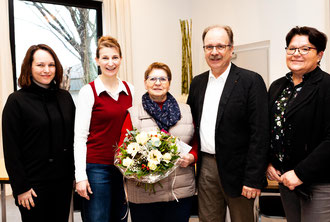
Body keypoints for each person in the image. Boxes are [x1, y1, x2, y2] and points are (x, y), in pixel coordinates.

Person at [187, 25, 269, 222]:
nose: (214, 52)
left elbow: (260, 133)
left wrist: (253, 178)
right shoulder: (197, 83)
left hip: (241, 171)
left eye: (220, 46)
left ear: (231, 49)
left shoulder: (251, 81)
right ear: (204, 50)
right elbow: (191, 126)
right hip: (206, 167)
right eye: (209, 47)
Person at [266, 26, 330, 222]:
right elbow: (271, 129)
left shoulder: (328, 87)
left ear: (319, 55)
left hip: (319, 182)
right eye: (292, 49)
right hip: (285, 180)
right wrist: (269, 161)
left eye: (305, 49)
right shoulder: (278, 86)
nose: (297, 54)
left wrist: (300, 173)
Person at [2, 44, 75, 222]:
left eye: (51, 65)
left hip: (63, 182)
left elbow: (74, 139)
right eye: (40, 65)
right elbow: (11, 149)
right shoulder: (16, 101)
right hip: (32, 186)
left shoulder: (65, 97)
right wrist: (21, 187)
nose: (47, 70)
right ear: (29, 67)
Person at [119, 62, 197, 222]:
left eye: (163, 78)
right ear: (145, 82)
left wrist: (192, 157)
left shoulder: (187, 111)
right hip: (144, 196)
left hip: (179, 193)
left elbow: (196, 143)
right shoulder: (133, 114)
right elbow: (122, 153)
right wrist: (141, 166)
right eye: (152, 78)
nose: (157, 83)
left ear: (169, 82)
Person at [74, 36, 133, 222]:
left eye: (115, 57)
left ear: (121, 59)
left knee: (120, 218)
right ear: (97, 61)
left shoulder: (130, 89)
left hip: (122, 168)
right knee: (97, 218)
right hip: (96, 168)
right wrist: (80, 177)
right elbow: (80, 137)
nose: (110, 63)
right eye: (105, 58)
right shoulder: (88, 91)